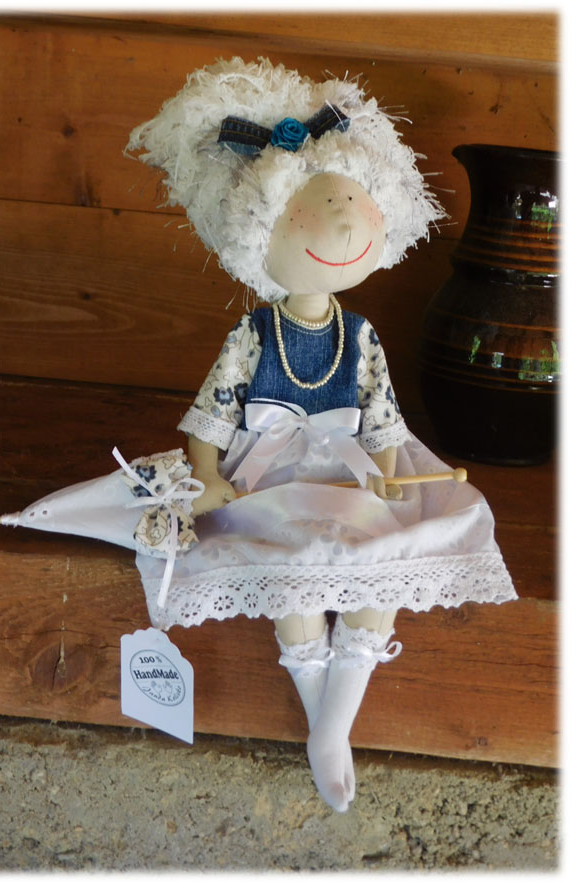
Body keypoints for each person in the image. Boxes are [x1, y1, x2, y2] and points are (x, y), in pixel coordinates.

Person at [127, 57, 517, 812]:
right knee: (291, 568)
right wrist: (209, 473)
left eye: (350, 204)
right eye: (314, 210)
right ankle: (325, 726)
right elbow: (214, 409)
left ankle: (330, 726)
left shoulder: (360, 333)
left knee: (382, 564)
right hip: (270, 476)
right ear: (258, 232)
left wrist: (386, 466)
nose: (343, 225)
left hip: (350, 473)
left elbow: (380, 415)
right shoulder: (255, 332)